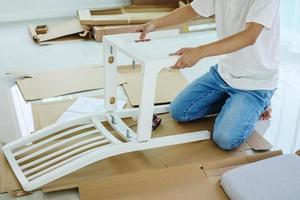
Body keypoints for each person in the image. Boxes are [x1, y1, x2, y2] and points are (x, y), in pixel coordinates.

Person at [133, 0, 280, 150]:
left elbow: (249, 36)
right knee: (179, 111)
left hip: (254, 84)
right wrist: (153, 24)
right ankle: (234, 103)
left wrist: (200, 52)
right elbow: (192, 10)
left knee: (225, 139)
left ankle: (260, 103)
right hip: (224, 73)